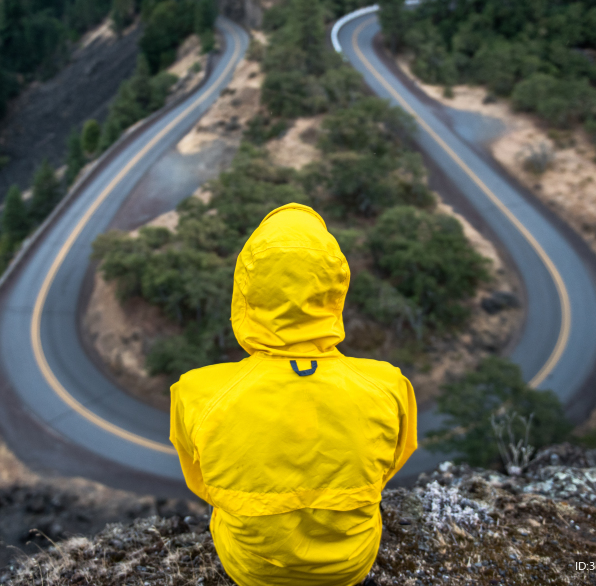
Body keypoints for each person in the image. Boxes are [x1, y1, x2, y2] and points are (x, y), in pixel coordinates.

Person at [170, 203, 418, 586]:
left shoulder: (196, 393)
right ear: (335, 290)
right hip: (350, 566)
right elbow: (389, 467)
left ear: (244, 293)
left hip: (252, 570)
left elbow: (202, 483)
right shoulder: (389, 386)